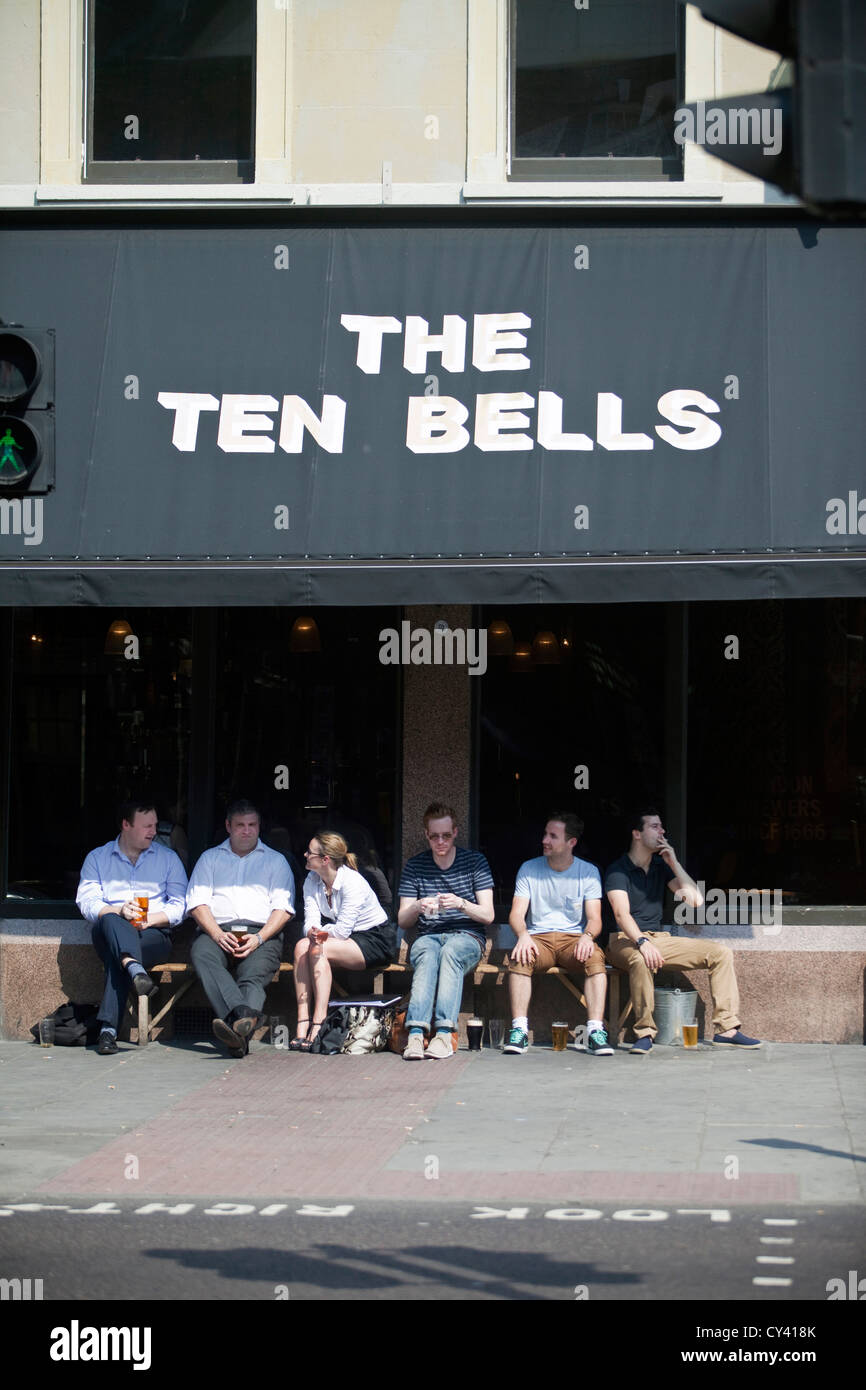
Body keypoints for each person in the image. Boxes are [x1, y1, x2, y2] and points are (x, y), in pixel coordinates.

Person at [605, 808, 762, 1054]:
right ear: (637, 834)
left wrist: (674, 862)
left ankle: (727, 1029)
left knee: (720, 953)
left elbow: (696, 900)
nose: (662, 831)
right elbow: (620, 914)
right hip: (624, 940)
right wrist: (642, 942)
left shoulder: (661, 867)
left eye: (662, 826)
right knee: (640, 959)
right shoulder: (618, 869)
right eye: (655, 826)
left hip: (659, 940)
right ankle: (644, 1032)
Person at [76, 799, 188, 1056]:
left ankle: (108, 1030)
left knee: (119, 958)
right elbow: (87, 900)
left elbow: (181, 904)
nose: (153, 832)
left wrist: (152, 919)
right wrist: (119, 911)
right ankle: (134, 969)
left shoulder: (168, 858)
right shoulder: (98, 857)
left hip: (153, 935)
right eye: (146, 826)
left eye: (155, 825)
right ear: (126, 825)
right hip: (109, 930)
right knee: (110, 918)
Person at [187, 799, 295, 1057]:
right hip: (217, 932)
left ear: (259, 826)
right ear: (228, 826)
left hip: (261, 934)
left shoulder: (276, 861)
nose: (246, 831)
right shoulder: (210, 858)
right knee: (201, 954)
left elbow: (284, 909)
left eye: (252, 825)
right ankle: (242, 1015)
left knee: (253, 976)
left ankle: (237, 1035)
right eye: (240, 825)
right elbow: (197, 903)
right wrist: (215, 933)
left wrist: (259, 938)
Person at [504, 813, 613, 1056]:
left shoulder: (588, 872)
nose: (545, 840)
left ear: (571, 842)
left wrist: (587, 937)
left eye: (553, 836)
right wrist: (522, 935)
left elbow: (595, 918)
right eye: (545, 834)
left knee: (595, 957)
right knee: (519, 957)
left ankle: (595, 1031)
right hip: (537, 939)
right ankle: (519, 1031)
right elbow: (516, 914)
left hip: (573, 940)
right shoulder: (529, 869)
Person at [397, 802, 494, 1060]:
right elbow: (403, 920)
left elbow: (488, 915)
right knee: (428, 955)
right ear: (426, 835)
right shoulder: (415, 866)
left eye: (446, 835)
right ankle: (416, 1034)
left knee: (450, 952)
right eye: (435, 836)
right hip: (428, 935)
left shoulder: (474, 862)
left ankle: (444, 1035)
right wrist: (417, 906)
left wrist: (461, 904)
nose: (441, 841)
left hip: (467, 936)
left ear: (456, 832)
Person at [293, 831, 396, 1050]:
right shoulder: (311, 880)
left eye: (309, 853)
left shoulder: (352, 882)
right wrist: (312, 932)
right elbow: (309, 921)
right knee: (302, 945)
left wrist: (319, 933)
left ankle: (319, 1021)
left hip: (374, 937)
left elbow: (341, 931)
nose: (305, 855)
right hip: (343, 938)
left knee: (315, 949)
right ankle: (302, 1021)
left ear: (325, 859)